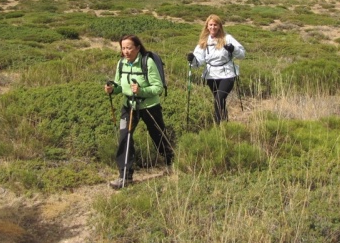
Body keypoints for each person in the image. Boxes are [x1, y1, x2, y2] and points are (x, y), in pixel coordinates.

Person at [104, 35, 173, 189]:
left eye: (129, 48)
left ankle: (171, 162)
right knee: (124, 139)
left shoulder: (146, 62)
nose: (126, 51)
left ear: (138, 47)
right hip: (128, 106)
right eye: (123, 48)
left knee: (158, 136)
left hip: (150, 106)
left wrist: (141, 91)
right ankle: (125, 176)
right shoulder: (121, 63)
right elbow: (119, 86)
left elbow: (158, 87)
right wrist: (112, 90)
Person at [187, 14, 245, 124]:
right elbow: (198, 62)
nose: (213, 27)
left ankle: (219, 127)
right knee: (220, 102)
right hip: (211, 76)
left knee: (219, 99)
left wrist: (233, 49)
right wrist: (192, 59)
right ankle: (225, 125)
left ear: (219, 26)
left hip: (227, 74)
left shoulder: (227, 38)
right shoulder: (204, 42)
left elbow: (242, 54)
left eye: (215, 25)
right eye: (211, 25)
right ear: (207, 27)